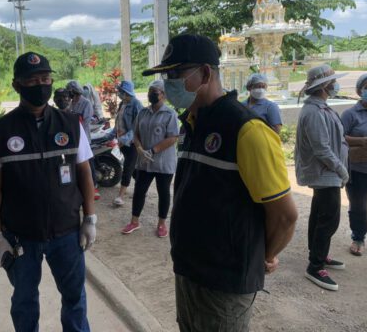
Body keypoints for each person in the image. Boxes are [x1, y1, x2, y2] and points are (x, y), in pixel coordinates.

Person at [143, 34, 297, 331]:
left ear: (205, 73)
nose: (168, 84)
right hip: (188, 271)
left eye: (176, 74)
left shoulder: (247, 130)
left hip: (224, 283)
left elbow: (284, 216)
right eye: (166, 76)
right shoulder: (192, 123)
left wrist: (265, 255)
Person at [0, 51, 97, 332]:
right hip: (21, 237)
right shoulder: (0, 130)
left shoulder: (71, 124)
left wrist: (90, 218)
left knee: (75, 298)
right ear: (17, 85)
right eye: (32, 80)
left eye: (45, 78)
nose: (40, 85)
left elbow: (84, 172)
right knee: (24, 300)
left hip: (66, 233)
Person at [295, 64, 349, 291]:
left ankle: (318, 253)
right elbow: (322, 149)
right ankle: (315, 266)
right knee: (329, 219)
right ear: (325, 85)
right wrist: (341, 169)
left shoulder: (320, 108)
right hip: (325, 173)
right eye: (333, 82)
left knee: (319, 215)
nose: (335, 85)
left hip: (327, 173)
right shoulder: (314, 112)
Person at [121, 80, 179, 238]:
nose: (150, 94)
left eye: (154, 92)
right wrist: (139, 148)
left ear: (163, 95)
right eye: (149, 91)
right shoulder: (143, 113)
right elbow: (136, 133)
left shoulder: (170, 114)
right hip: (144, 162)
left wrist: (153, 151)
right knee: (139, 191)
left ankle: (161, 224)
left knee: (163, 193)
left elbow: (173, 137)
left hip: (163, 163)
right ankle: (134, 221)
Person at [341, 73, 367, 256]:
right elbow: (339, 137)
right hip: (358, 169)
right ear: (360, 91)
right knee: (359, 206)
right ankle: (358, 238)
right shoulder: (350, 114)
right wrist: (361, 141)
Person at [66, 80, 100, 200]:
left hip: (83, 137)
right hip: (71, 137)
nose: (70, 95)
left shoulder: (86, 103)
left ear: (76, 92)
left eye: (71, 92)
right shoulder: (70, 103)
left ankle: (94, 185)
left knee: (88, 162)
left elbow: (85, 123)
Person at [113, 80, 143, 207]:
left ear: (126, 92)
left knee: (127, 167)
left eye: (121, 91)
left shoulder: (136, 104)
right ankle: (142, 187)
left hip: (131, 143)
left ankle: (120, 196)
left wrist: (124, 140)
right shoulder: (122, 104)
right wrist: (112, 135)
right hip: (121, 142)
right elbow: (118, 122)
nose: (119, 93)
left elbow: (138, 127)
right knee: (132, 168)